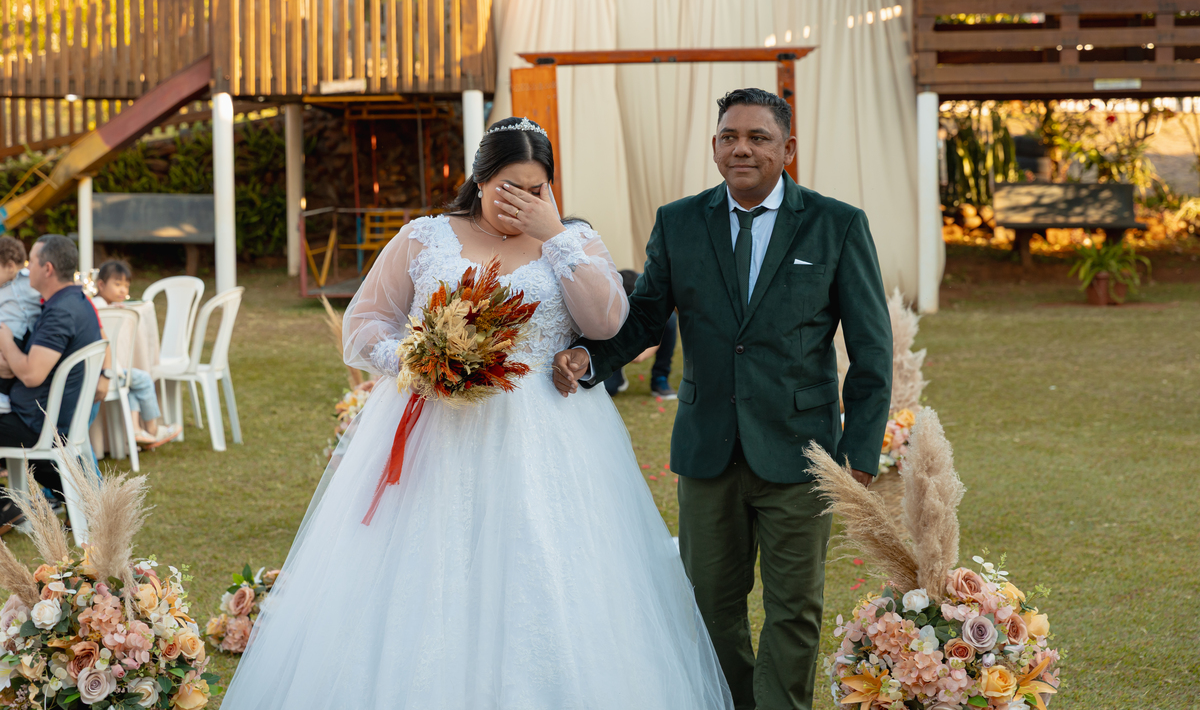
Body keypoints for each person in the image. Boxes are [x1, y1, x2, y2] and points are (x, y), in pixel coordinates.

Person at [220, 118, 733, 710]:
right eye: (509, 189)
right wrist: (420, 361)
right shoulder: (425, 237)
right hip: (438, 431)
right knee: (428, 569)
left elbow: (606, 323)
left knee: (543, 568)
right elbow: (364, 326)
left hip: (547, 432)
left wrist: (553, 234)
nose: (522, 202)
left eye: (537, 189)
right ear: (480, 180)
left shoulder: (574, 239)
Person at [553, 88, 892, 710]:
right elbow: (646, 316)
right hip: (707, 450)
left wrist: (860, 453)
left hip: (803, 454)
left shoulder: (837, 224)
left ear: (788, 148)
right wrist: (591, 358)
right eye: (729, 137)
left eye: (759, 138)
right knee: (710, 606)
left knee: (795, 609)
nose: (742, 149)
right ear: (714, 147)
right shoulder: (679, 221)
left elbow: (872, 349)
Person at [0, 235, 104, 513]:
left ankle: (6, 506)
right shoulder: (77, 302)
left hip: (38, 423)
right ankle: (10, 505)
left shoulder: (60, 313)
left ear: (47, 269)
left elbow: (31, 375)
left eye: (31, 262)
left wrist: (6, 340)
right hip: (48, 417)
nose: (26, 268)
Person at [90, 260, 181, 449]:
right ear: (101, 285)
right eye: (117, 284)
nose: (123, 290)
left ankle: (136, 430)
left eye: (126, 285)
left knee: (132, 383)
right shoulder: (101, 308)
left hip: (109, 371)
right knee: (144, 379)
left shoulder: (102, 305)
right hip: (107, 370)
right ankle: (153, 429)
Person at [603, 268, 678, 399]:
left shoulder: (653, 292)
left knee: (670, 319)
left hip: (647, 314)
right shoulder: (606, 298)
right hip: (611, 337)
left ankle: (660, 377)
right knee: (609, 389)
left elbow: (639, 357)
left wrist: (654, 338)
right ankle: (617, 372)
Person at [0, 236, 43, 415]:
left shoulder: (30, 279)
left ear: (10, 266)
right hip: (7, 332)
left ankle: (3, 395)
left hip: (23, 334)